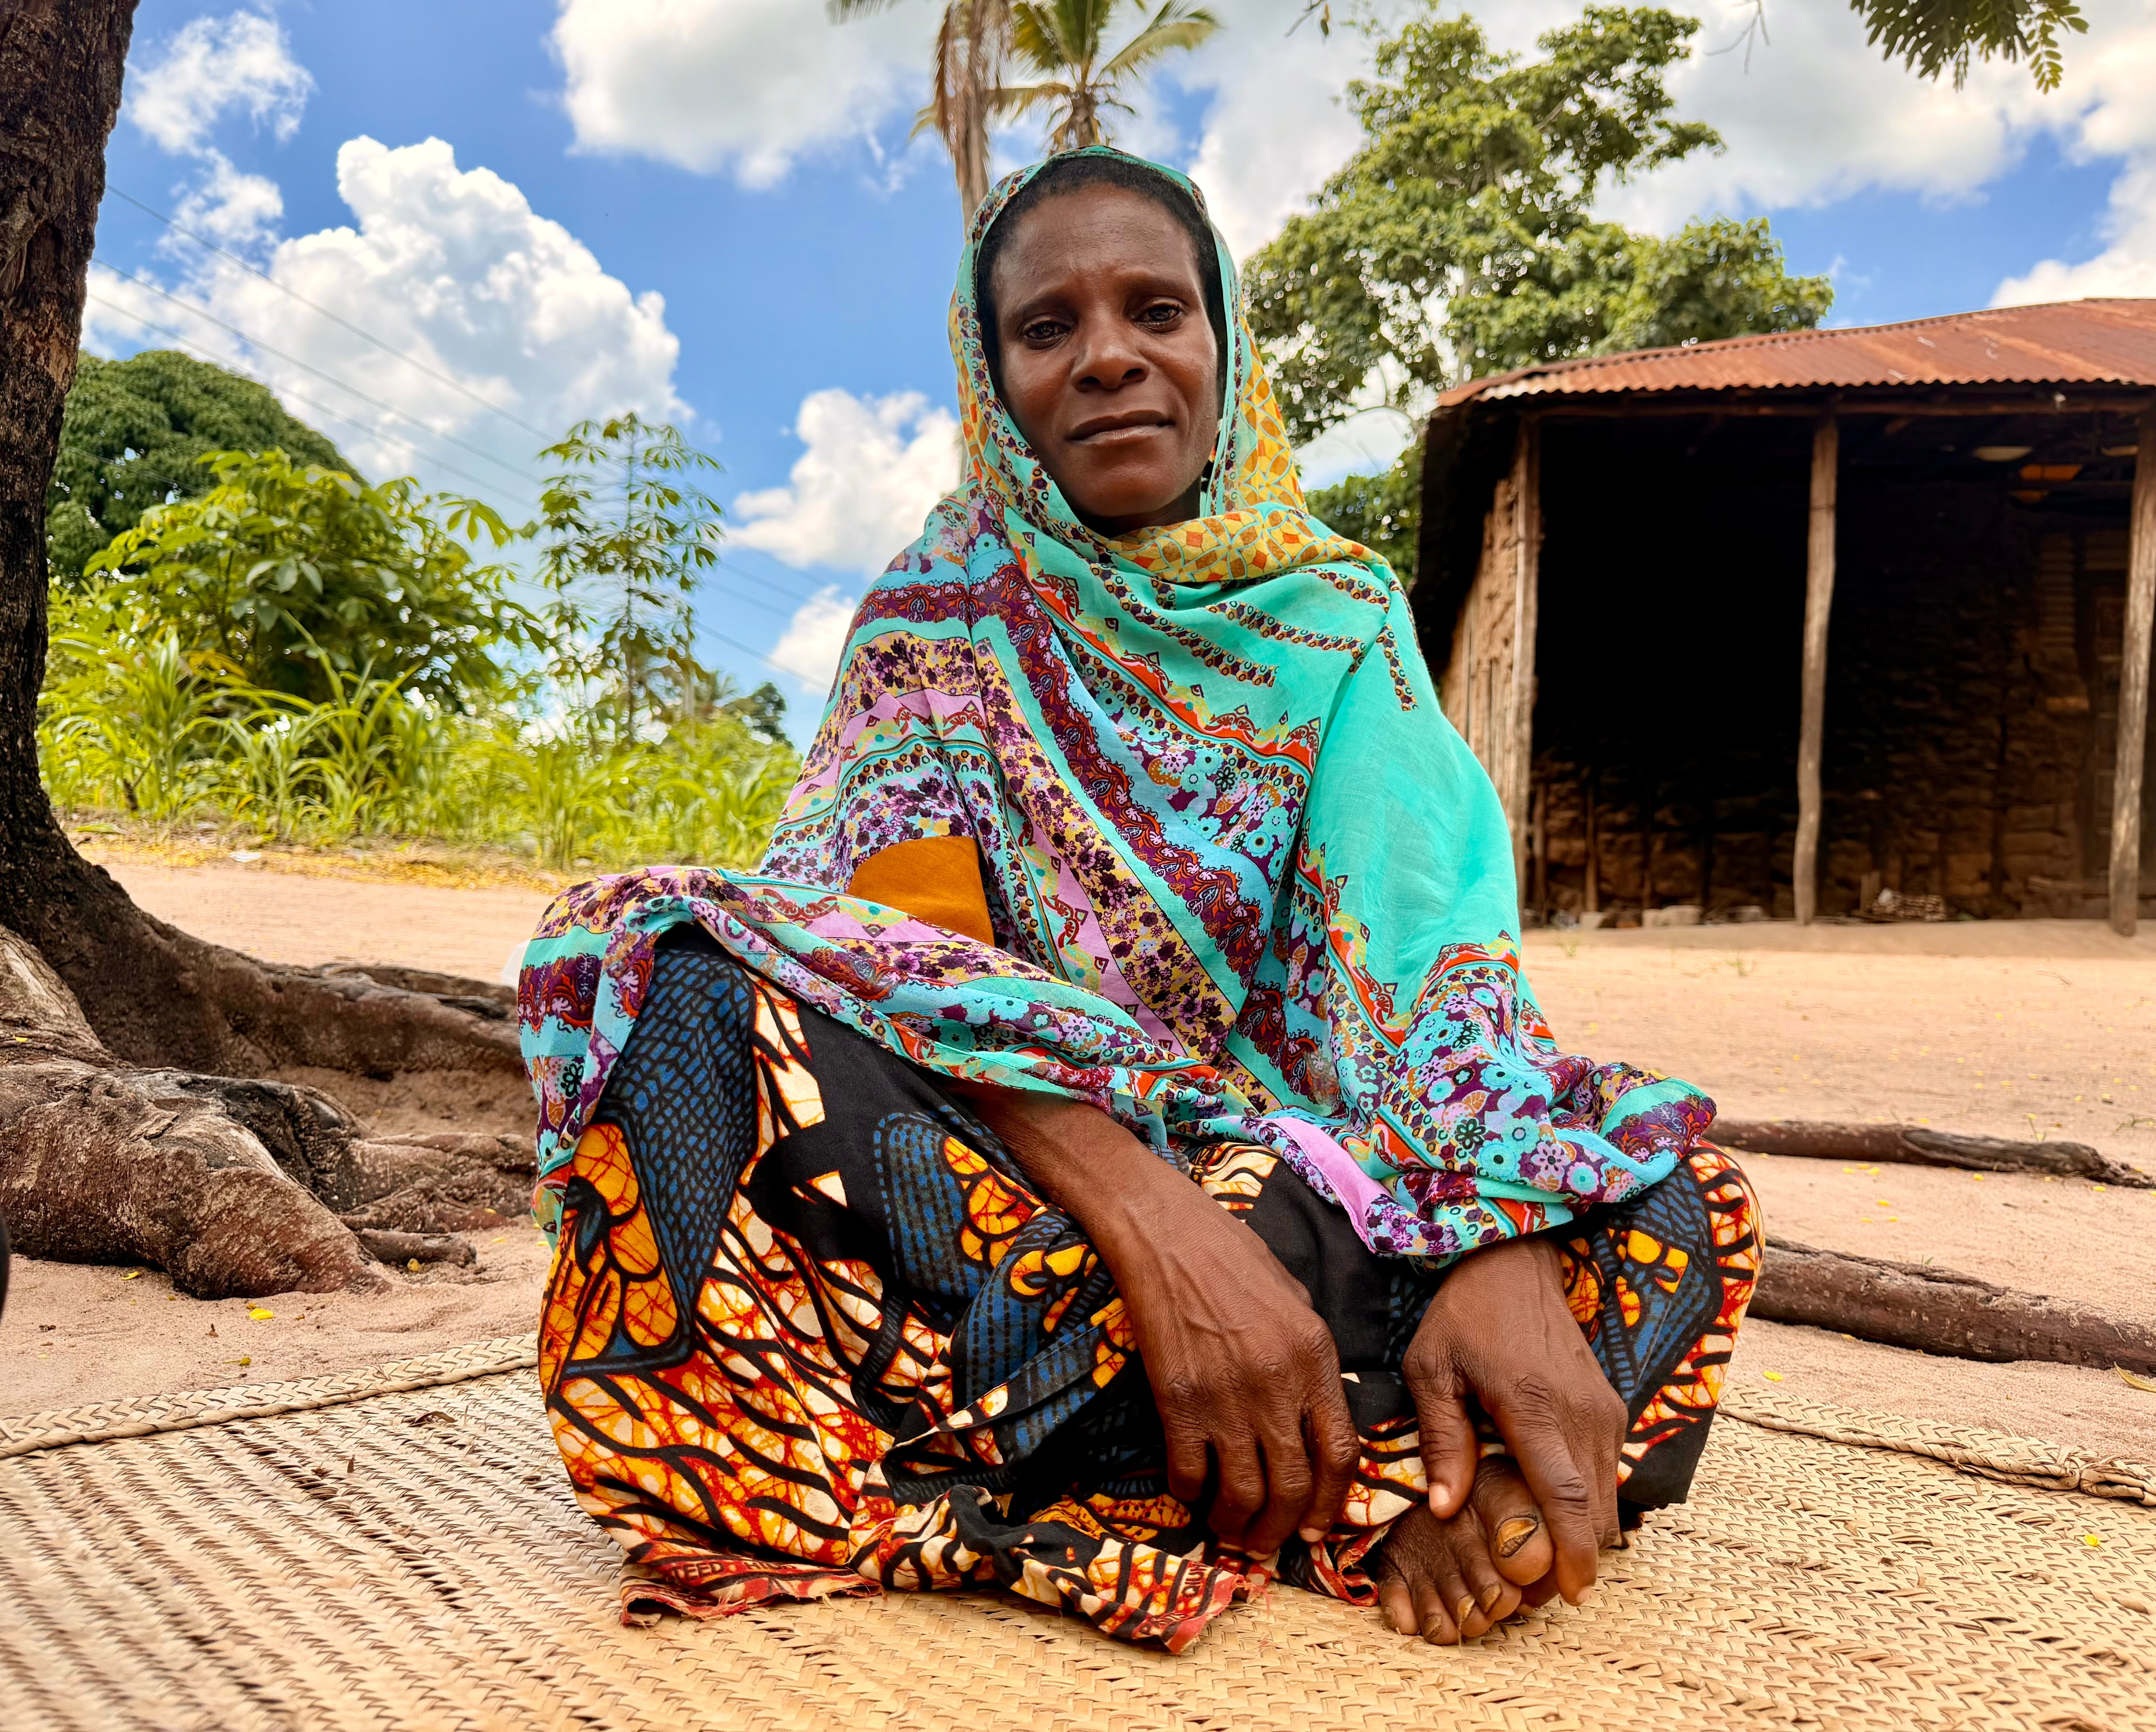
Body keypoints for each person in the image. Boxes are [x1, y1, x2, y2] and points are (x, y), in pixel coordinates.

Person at [518, 148, 1759, 1652]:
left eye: (1156, 309)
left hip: (1315, 1208)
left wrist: (1489, 1242)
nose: (1109, 355)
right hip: (1017, 1202)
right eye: (1048, 327)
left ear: (1222, 341)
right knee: (681, 985)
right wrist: (1162, 1233)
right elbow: (900, 977)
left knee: (1676, 1195)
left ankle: (1203, 1460)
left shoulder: (1343, 625)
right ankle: (1389, 1478)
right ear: (994, 379)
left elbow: (1434, 981)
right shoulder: (938, 618)